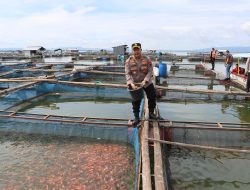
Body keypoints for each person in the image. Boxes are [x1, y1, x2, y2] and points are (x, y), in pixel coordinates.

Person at [125, 43, 157, 126]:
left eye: (137, 49)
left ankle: (151, 113)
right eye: (134, 50)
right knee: (135, 101)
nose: (136, 51)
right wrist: (131, 83)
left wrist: (145, 80)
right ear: (132, 51)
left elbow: (150, 71)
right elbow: (127, 73)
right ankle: (136, 118)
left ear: (140, 50)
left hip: (146, 82)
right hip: (134, 83)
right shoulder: (128, 61)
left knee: (152, 96)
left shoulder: (147, 59)